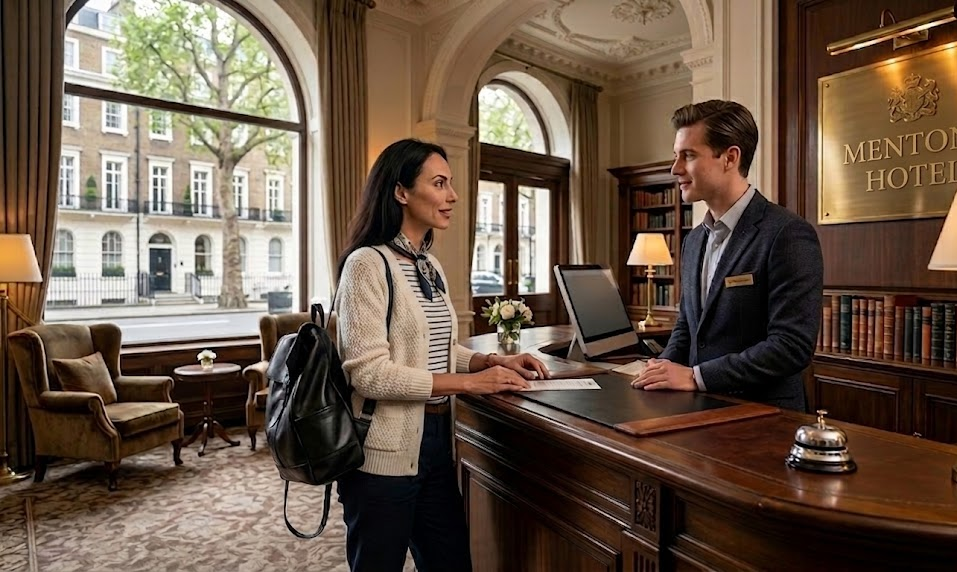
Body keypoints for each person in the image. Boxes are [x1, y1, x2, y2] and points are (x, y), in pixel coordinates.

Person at [334, 138, 550, 572]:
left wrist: (489, 362)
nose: (453, 195)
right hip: (382, 454)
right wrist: (469, 385)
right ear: (401, 192)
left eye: (450, 183)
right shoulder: (366, 265)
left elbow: (433, 351)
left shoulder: (429, 266)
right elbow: (369, 375)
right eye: (439, 183)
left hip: (435, 444)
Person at [632, 100, 823, 411]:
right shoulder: (693, 240)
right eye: (676, 156)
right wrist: (661, 368)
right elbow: (688, 325)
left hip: (762, 419)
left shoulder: (787, 233)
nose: (675, 168)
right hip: (697, 413)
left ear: (730, 158)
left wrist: (696, 377)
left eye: (688, 155)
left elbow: (791, 347)